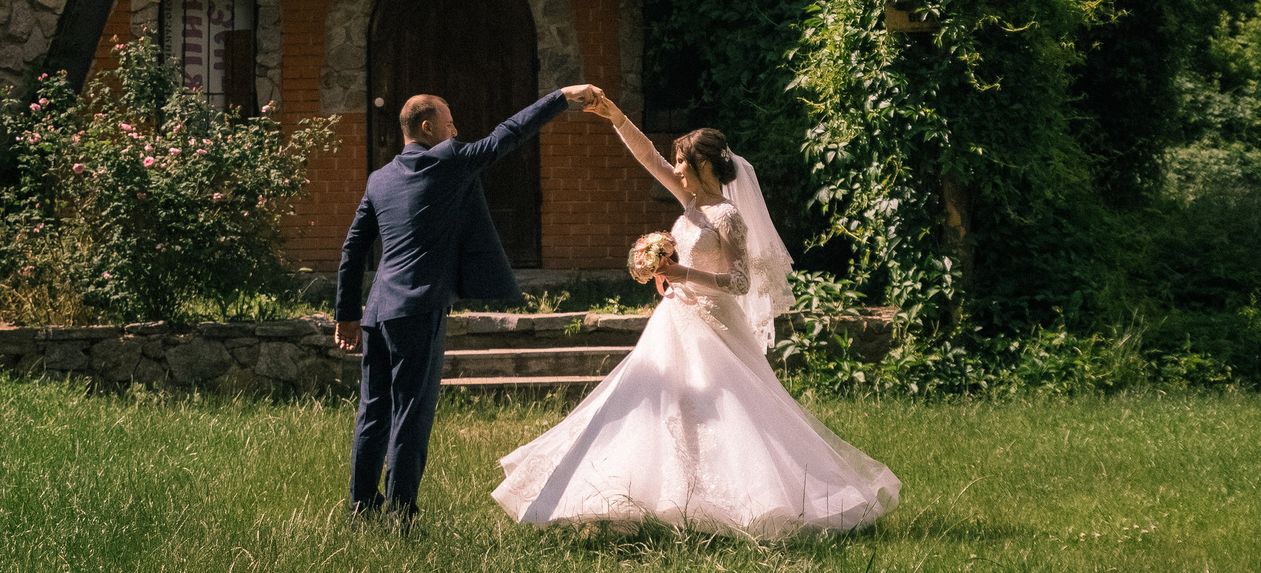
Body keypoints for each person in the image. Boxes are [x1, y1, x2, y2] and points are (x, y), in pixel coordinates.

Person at [492, 94, 901, 539]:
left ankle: (751, 502)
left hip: (715, 324)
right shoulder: (688, 202)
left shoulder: (727, 218)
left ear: (705, 164)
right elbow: (647, 155)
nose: (677, 168)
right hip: (673, 319)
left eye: (683, 160)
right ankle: (664, 499)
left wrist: (680, 271)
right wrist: (615, 116)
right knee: (655, 401)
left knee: (728, 409)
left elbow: (740, 282)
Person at [337, 83, 602, 524]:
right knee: (410, 416)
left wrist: (347, 313)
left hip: (377, 312)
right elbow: (508, 133)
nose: (457, 129)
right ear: (427, 127)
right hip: (418, 310)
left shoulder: (379, 179)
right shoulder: (448, 160)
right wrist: (561, 97)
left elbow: (352, 249)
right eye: (449, 120)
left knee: (373, 413)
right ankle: (402, 515)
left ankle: (361, 509)